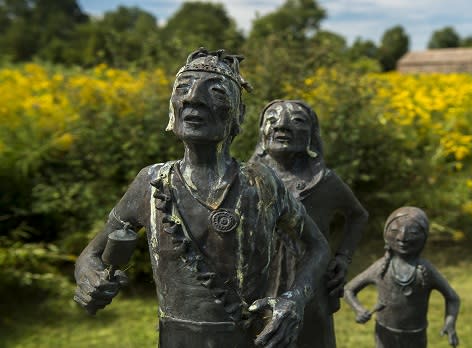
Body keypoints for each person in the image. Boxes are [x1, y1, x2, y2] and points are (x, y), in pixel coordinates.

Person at [73, 48, 329, 348]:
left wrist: (294, 299)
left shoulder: (262, 183)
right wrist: (90, 277)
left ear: (239, 114)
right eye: (183, 89)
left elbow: (318, 246)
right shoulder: (151, 182)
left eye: (217, 92)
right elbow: (90, 255)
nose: (193, 98)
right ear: (173, 106)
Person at [250, 100, 368, 347]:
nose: (281, 125)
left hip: (310, 286)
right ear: (261, 132)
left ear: (312, 135)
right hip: (258, 283)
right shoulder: (244, 180)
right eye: (271, 119)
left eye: (297, 120)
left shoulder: (324, 181)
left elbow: (358, 215)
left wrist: (343, 258)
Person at [343, 207, 460, 348]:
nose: (402, 237)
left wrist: (450, 323)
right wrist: (359, 309)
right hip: (385, 334)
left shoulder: (426, 270)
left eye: (413, 232)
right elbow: (349, 289)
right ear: (387, 234)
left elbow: (452, 297)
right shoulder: (381, 268)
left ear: (423, 237)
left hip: (415, 337)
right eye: (395, 231)